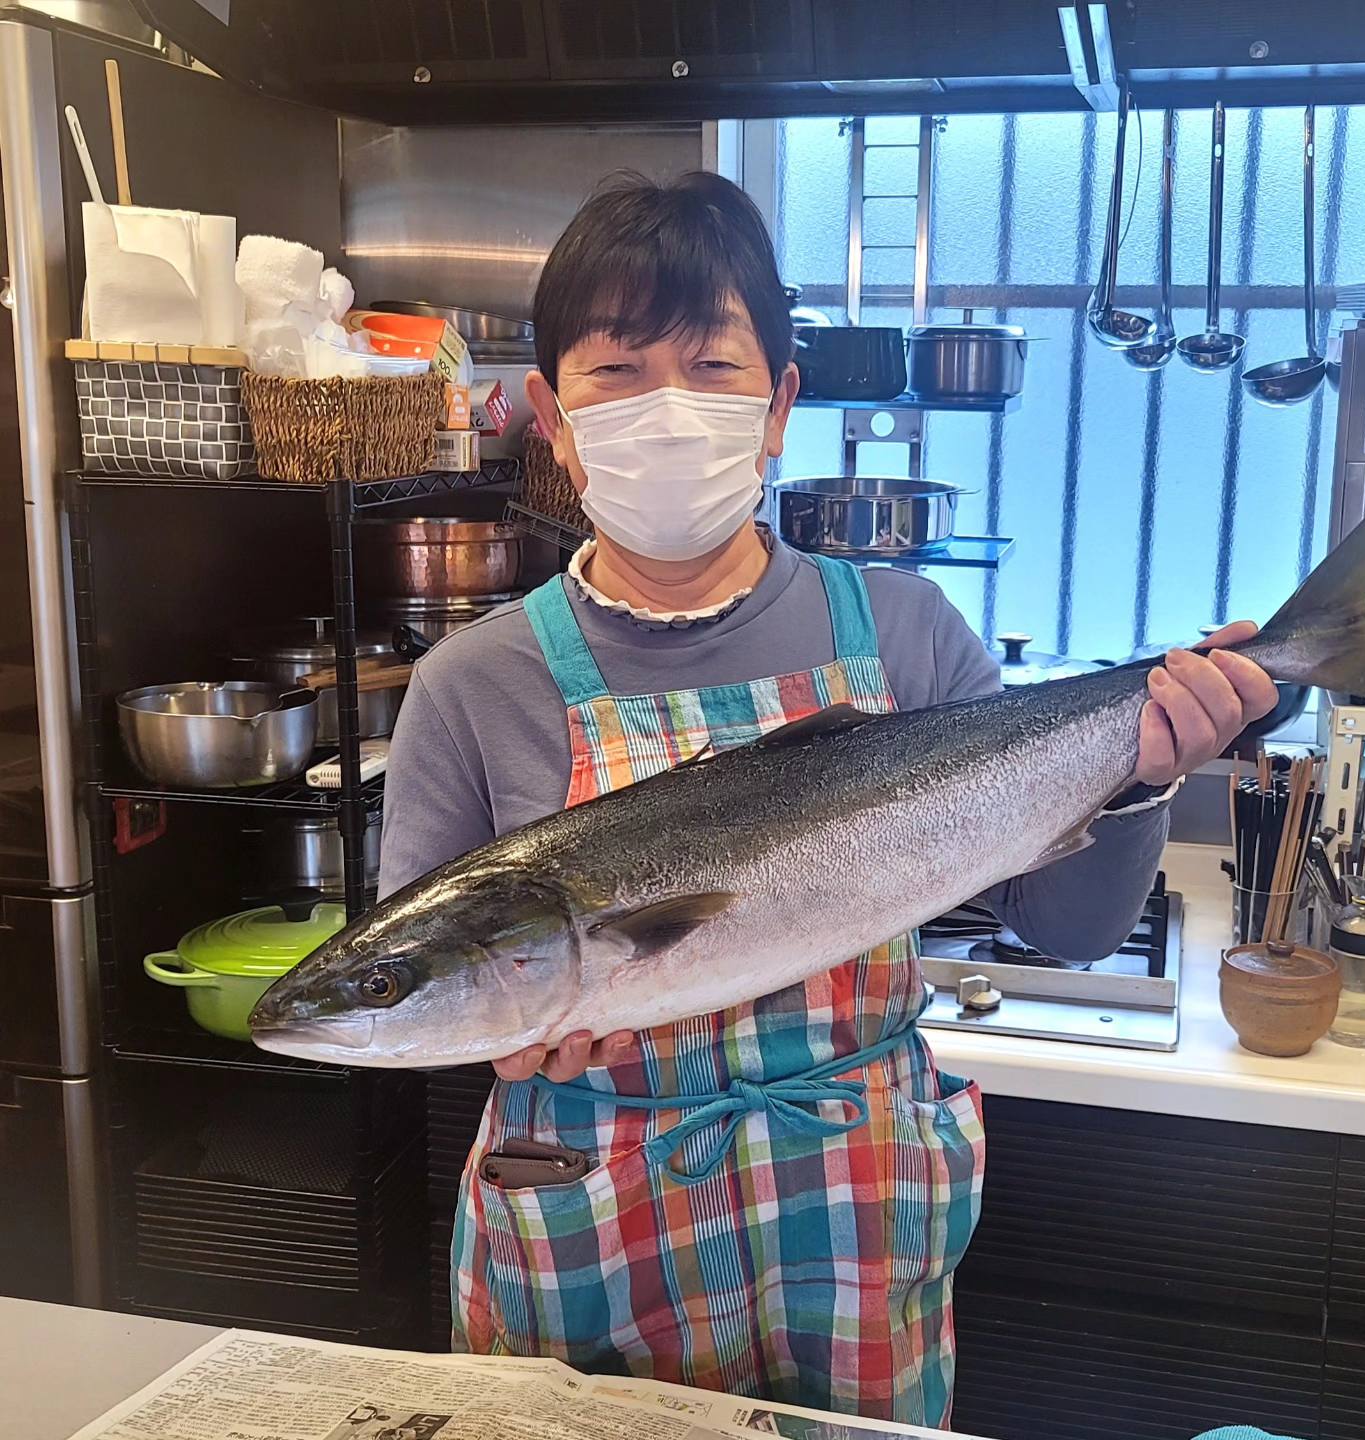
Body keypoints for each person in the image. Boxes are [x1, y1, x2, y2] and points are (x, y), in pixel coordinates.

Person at [378, 172, 1276, 1428]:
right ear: (553, 418)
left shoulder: (904, 629)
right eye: (617, 374)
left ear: (780, 403)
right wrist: (509, 1037)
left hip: (847, 1203)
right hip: (587, 1211)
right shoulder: (474, 684)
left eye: (710, 364)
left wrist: (1146, 767)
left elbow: (1067, 931)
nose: (668, 407)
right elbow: (432, 981)